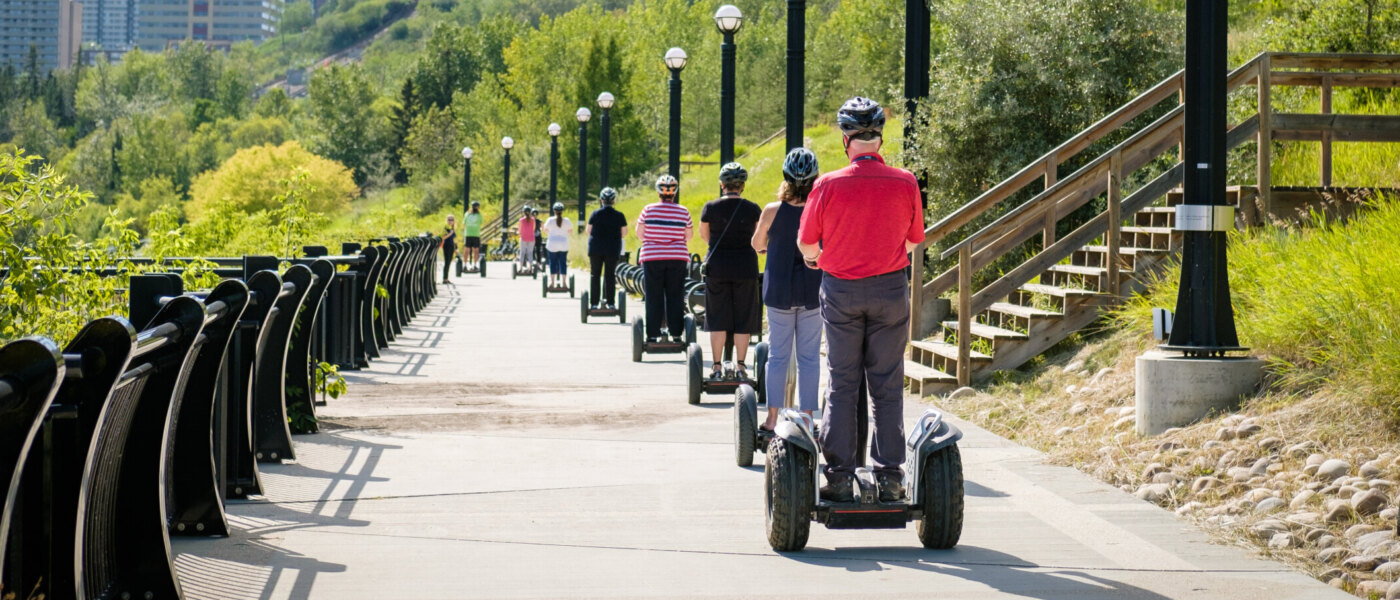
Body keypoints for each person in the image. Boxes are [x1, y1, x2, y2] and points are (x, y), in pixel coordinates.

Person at [797, 97, 925, 503]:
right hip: (890, 290)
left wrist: (817, 258)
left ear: (846, 138)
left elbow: (806, 242)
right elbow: (914, 239)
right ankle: (890, 476)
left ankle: (838, 475)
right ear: (880, 138)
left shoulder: (828, 184)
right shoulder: (905, 181)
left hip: (842, 291)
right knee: (886, 383)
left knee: (842, 382)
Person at [751, 148, 822, 431]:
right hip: (812, 292)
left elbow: (757, 244)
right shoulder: (820, 209)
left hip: (779, 292)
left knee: (778, 356)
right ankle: (806, 417)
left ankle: (771, 419)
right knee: (808, 358)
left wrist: (769, 247)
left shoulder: (771, 210)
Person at [699, 162, 762, 380]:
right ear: (742, 185)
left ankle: (716, 366)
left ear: (722, 184)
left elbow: (705, 237)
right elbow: (757, 239)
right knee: (743, 318)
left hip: (717, 267)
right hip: (745, 267)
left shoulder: (710, 207)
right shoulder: (752, 208)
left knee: (716, 317)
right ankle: (741, 367)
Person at [636, 174, 693, 343]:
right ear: (675, 192)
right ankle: (676, 334)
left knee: (654, 296)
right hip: (677, 258)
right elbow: (688, 236)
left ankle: (653, 334)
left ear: (658, 192)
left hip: (652, 257)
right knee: (675, 295)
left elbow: (640, 234)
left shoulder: (648, 210)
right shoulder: (683, 211)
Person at [587, 187, 628, 309]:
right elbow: (624, 233)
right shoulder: (619, 215)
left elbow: (588, 230)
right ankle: (610, 303)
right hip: (612, 249)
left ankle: (594, 304)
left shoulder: (595, 214)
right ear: (614, 201)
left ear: (601, 200)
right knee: (610, 275)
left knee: (595, 275)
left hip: (595, 248)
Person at [544, 202, 573, 287]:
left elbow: (545, 230)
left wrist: (551, 233)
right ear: (562, 211)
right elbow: (570, 231)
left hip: (552, 245)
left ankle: (552, 282)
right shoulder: (567, 220)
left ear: (554, 211)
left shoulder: (550, 220)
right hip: (563, 245)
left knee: (552, 263)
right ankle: (564, 282)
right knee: (563, 263)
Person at [462, 201, 483, 270]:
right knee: (467, 250)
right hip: (468, 234)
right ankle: (464, 264)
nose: (476, 208)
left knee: (476, 250)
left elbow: (481, 222)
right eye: (475, 206)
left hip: (476, 234)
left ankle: (475, 265)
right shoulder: (467, 214)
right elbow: (464, 223)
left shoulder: (479, 215)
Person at [441, 213, 458, 283]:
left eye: (452, 220)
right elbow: (443, 237)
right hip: (446, 245)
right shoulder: (445, 228)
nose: (450, 221)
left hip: (451, 246)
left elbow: (454, 239)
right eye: (449, 219)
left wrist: (456, 248)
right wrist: (449, 234)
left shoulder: (453, 229)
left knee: (449, 262)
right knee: (447, 261)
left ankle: (446, 278)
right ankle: (444, 278)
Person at [517, 206, 536, 270]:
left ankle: (520, 267)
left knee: (522, 253)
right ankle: (530, 267)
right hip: (531, 238)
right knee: (530, 253)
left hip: (523, 238)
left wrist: (520, 233)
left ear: (523, 212)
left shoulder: (521, 220)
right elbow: (534, 228)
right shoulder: (533, 219)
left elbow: (519, 230)